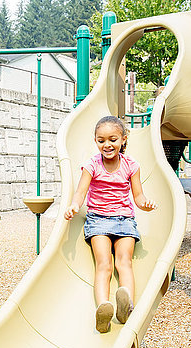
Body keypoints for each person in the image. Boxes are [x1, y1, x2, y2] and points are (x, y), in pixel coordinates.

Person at [64, 115, 157, 333]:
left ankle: (127, 306)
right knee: (104, 264)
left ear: (124, 139)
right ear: (95, 141)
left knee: (124, 262)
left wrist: (146, 204)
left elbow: (139, 197)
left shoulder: (131, 165)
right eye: (101, 140)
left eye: (113, 139)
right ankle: (103, 308)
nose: (107, 145)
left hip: (124, 220)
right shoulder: (91, 165)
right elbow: (80, 193)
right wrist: (74, 206)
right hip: (98, 221)